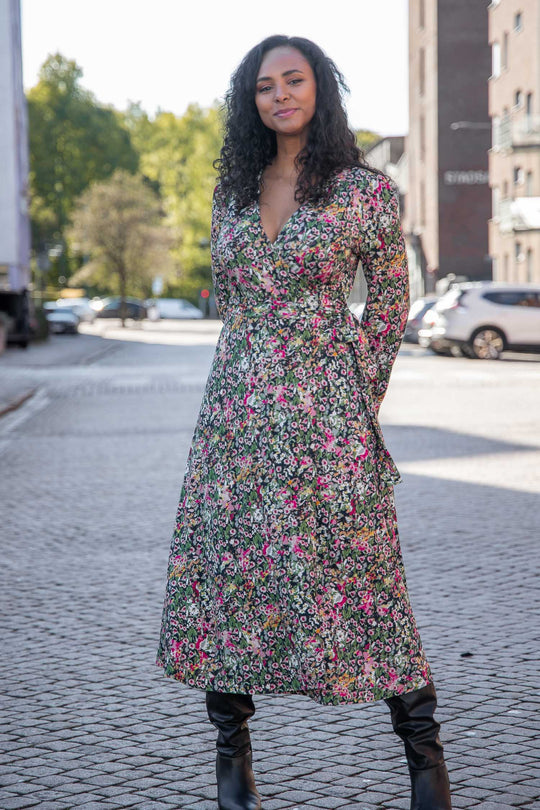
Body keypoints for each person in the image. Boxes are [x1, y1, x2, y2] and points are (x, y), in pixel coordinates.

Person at [156, 34, 452, 810]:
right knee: (229, 576)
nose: (279, 95)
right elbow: (234, 302)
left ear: (320, 88)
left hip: (329, 419)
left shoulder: (367, 193)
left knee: (369, 577)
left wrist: (357, 398)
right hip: (235, 418)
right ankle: (232, 761)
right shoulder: (232, 193)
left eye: (293, 80)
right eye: (264, 86)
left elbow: (389, 306)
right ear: (249, 101)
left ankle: (425, 760)